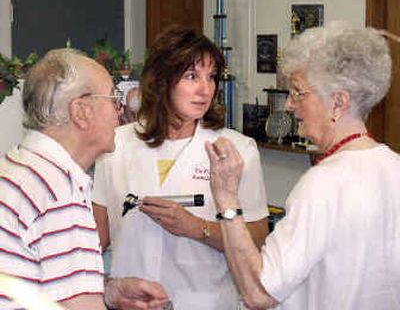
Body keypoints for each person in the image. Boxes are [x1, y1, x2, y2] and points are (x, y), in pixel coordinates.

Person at [205, 20, 400, 310]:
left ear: (338, 102)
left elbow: (259, 292)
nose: (288, 105)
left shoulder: (324, 183)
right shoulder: (394, 166)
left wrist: (227, 199)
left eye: (298, 92)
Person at [92, 26, 269, 309]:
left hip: (204, 302)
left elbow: (257, 240)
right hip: (132, 303)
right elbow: (95, 240)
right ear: (162, 81)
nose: (205, 89)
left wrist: (196, 228)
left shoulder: (236, 150)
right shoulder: (115, 146)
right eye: (191, 76)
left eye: (211, 77)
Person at [0, 48, 168, 309]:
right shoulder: (57, 192)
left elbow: (44, 288)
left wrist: (107, 292)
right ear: (81, 112)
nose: (120, 112)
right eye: (114, 99)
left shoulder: (21, 170)